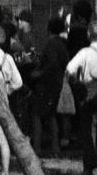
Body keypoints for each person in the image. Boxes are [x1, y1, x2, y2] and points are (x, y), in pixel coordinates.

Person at [66, 20, 97, 175]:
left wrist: (75, 83)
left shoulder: (85, 52)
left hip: (89, 92)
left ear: (88, 35)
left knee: (88, 131)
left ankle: (89, 170)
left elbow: (70, 69)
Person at [28, 15, 70, 157]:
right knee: (52, 116)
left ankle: (37, 147)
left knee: (37, 115)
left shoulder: (51, 44)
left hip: (45, 84)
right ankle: (55, 148)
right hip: (57, 83)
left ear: (49, 29)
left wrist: (39, 73)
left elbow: (51, 64)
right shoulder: (62, 44)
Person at [0, 25, 24, 175]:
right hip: (3, 97)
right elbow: (18, 82)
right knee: (2, 136)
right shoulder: (7, 58)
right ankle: (5, 172)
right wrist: (6, 90)